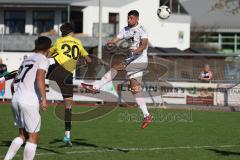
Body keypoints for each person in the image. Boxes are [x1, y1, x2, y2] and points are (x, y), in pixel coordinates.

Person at [81, 10, 152, 129]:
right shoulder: (125, 29)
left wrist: (138, 50)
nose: (129, 20)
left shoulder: (142, 30)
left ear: (137, 19)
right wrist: (111, 42)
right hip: (132, 60)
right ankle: (147, 115)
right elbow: (117, 38)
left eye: (131, 18)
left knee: (116, 67)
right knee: (135, 90)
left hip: (140, 61)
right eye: (128, 18)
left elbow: (144, 44)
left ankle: (96, 87)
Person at [4, 36, 51, 160]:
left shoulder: (27, 60)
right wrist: (44, 99)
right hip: (28, 100)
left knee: (22, 135)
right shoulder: (43, 60)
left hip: (16, 99)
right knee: (33, 137)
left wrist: (16, 95)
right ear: (48, 48)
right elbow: (40, 78)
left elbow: (14, 83)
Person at [47, 22, 91, 146]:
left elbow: (47, 55)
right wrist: (86, 61)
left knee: (39, 75)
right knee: (68, 106)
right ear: (72, 32)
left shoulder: (59, 41)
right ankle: (67, 135)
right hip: (68, 76)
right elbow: (88, 59)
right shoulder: (78, 42)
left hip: (56, 70)